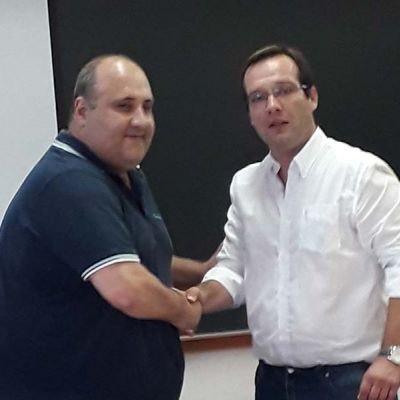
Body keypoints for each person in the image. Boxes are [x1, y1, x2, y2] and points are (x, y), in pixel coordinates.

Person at [187, 44, 400, 400]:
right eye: (258, 98)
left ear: (311, 97)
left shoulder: (361, 174)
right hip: (272, 382)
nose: (272, 105)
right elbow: (233, 270)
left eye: (283, 90)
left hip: (351, 381)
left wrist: (394, 356)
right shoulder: (246, 185)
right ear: (250, 114)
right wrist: (196, 299)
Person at [0, 54, 202, 400]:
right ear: (82, 111)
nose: (140, 120)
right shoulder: (68, 181)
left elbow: (136, 258)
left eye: (147, 107)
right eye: (124, 106)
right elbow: (127, 287)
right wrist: (185, 309)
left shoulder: (125, 174)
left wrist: (203, 271)